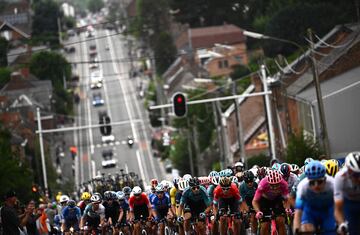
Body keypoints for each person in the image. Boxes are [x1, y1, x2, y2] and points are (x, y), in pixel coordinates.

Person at [293, 160, 336, 235]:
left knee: (332, 231)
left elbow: (339, 206)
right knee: (306, 230)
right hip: (310, 211)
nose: (316, 186)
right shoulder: (302, 186)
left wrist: (342, 223)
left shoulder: (332, 183)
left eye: (319, 182)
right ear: (307, 180)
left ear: (325, 179)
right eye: (312, 182)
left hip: (328, 211)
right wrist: (297, 228)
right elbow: (298, 212)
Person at [252, 169, 290, 235]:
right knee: (265, 225)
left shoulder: (284, 184)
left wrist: (287, 208)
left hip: (277, 199)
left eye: (277, 185)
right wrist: (258, 211)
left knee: (280, 220)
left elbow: (287, 199)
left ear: (280, 182)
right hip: (265, 200)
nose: (275, 188)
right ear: (268, 183)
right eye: (272, 185)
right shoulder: (262, 184)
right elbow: (255, 201)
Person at [334, 152, 360, 235]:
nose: (359, 178)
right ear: (348, 170)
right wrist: (341, 224)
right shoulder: (340, 177)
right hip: (348, 203)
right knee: (352, 230)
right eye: (356, 175)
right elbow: (338, 208)